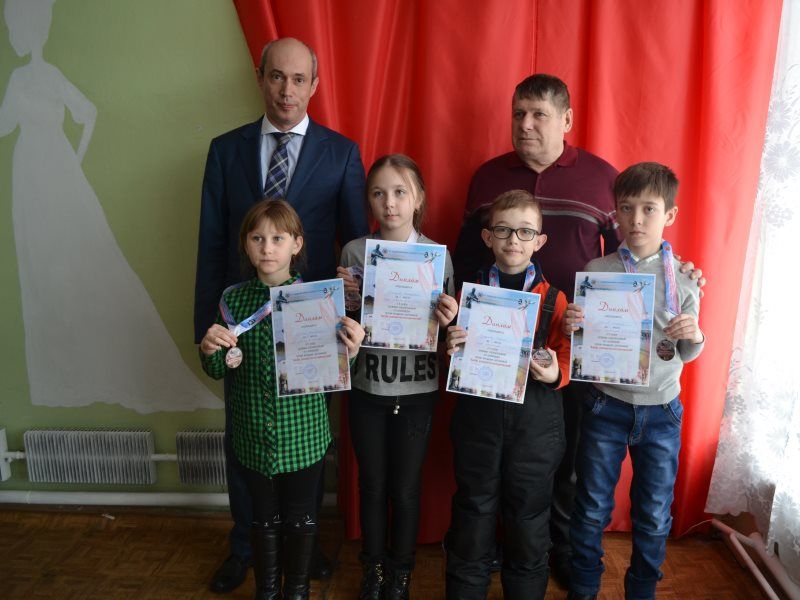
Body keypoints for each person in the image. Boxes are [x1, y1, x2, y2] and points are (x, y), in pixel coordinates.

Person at [452, 74, 703, 584]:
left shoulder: (601, 178)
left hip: (584, 349)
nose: (526, 124)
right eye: (518, 113)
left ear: (566, 120)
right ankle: (498, 549)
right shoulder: (486, 177)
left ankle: (561, 552)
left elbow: (632, 254)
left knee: (568, 458)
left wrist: (680, 272)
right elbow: (466, 260)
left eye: (539, 114)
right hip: (497, 345)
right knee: (495, 457)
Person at [194, 37, 368, 592]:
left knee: (305, 443)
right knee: (244, 438)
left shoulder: (341, 153)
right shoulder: (226, 150)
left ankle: (303, 546)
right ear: (260, 77)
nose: (286, 90)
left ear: (314, 85)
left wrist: (353, 308)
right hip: (242, 323)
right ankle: (244, 545)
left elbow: (354, 243)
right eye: (276, 76)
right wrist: (206, 326)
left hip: (312, 330)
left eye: (298, 79)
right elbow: (211, 242)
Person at [199, 199, 365, 600]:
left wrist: (353, 351)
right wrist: (209, 351)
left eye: (278, 238)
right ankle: (268, 591)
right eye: (257, 238)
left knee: (302, 519)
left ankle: (298, 591)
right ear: (245, 244)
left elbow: (336, 373)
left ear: (296, 244)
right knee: (263, 519)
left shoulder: (319, 301)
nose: (267, 248)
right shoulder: (233, 301)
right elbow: (220, 368)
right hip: (253, 433)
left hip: (303, 434)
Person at [562, 163, 704, 600]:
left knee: (654, 514)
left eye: (649, 209)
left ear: (670, 215)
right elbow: (584, 343)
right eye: (626, 208)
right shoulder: (597, 270)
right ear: (615, 213)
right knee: (590, 508)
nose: (636, 219)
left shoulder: (685, 279)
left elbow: (687, 351)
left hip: (662, 410)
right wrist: (572, 325)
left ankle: (641, 590)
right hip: (605, 406)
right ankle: (584, 587)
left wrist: (695, 335)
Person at [337, 155, 457, 599]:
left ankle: (402, 571)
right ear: (369, 200)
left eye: (400, 192)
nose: (389, 203)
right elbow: (341, 329)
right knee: (371, 485)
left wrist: (449, 317)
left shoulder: (437, 256)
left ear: (418, 198)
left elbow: (448, 335)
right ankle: (373, 569)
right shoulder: (354, 252)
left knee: (405, 489)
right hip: (367, 387)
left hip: (418, 390)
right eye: (379, 193)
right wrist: (347, 303)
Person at [444, 190, 570, 599]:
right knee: (473, 512)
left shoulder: (556, 299)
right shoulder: (468, 295)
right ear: (487, 237)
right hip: (478, 424)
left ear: (539, 241)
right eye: (503, 230)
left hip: (537, 428)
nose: (513, 240)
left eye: (525, 231)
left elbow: (567, 355)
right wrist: (450, 344)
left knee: (529, 520)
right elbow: (453, 355)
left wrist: (555, 373)